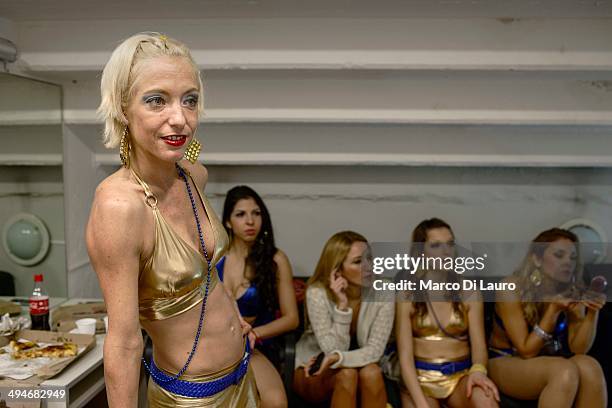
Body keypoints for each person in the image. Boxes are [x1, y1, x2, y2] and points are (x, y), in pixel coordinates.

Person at [87, 32, 258, 407]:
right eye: (156, 101)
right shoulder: (119, 206)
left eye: (190, 100)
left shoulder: (193, 174)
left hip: (242, 374)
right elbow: (125, 340)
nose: (179, 119)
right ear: (121, 107)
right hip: (193, 397)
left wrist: (231, 317)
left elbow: (204, 272)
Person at [488, 228, 607, 407]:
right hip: (506, 359)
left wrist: (592, 311)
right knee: (563, 370)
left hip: (547, 360)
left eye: (572, 258)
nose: (568, 262)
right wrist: (552, 310)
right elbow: (526, 351)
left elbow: (579, 348)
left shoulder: (574, 291)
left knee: (589, 366)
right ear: (537, 259)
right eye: (559, 255)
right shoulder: (511, 287)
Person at [389, 218, 499, 408]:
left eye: (450, 244)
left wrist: (478, 371)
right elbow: (405, 358)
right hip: (420, 380)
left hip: (460, 377)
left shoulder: (469, 291)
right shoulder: (407, 294)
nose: (445, 252)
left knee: (486, 399)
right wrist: (421, 404)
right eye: (436, 246)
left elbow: (480, 346)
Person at [292, 231, 394, 408]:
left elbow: (375, 350)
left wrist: (338, 358)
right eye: (358, 261)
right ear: (337, 270)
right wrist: (342, 306)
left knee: (372, 373)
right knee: (347, 374)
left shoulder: (384, 291)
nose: (369, 266)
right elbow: (332, 349)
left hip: (362, 367)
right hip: (315, 367)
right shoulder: (317, 293)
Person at [218, 185, 299, 408]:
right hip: (214, 345)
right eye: (240, 214)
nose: (250, 221)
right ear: (227, 222)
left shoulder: (276, 259)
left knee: (275, 402)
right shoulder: (213, 258)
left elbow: (292, 318)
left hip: (254, 346)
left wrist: (254, 334)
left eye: (256, 213)